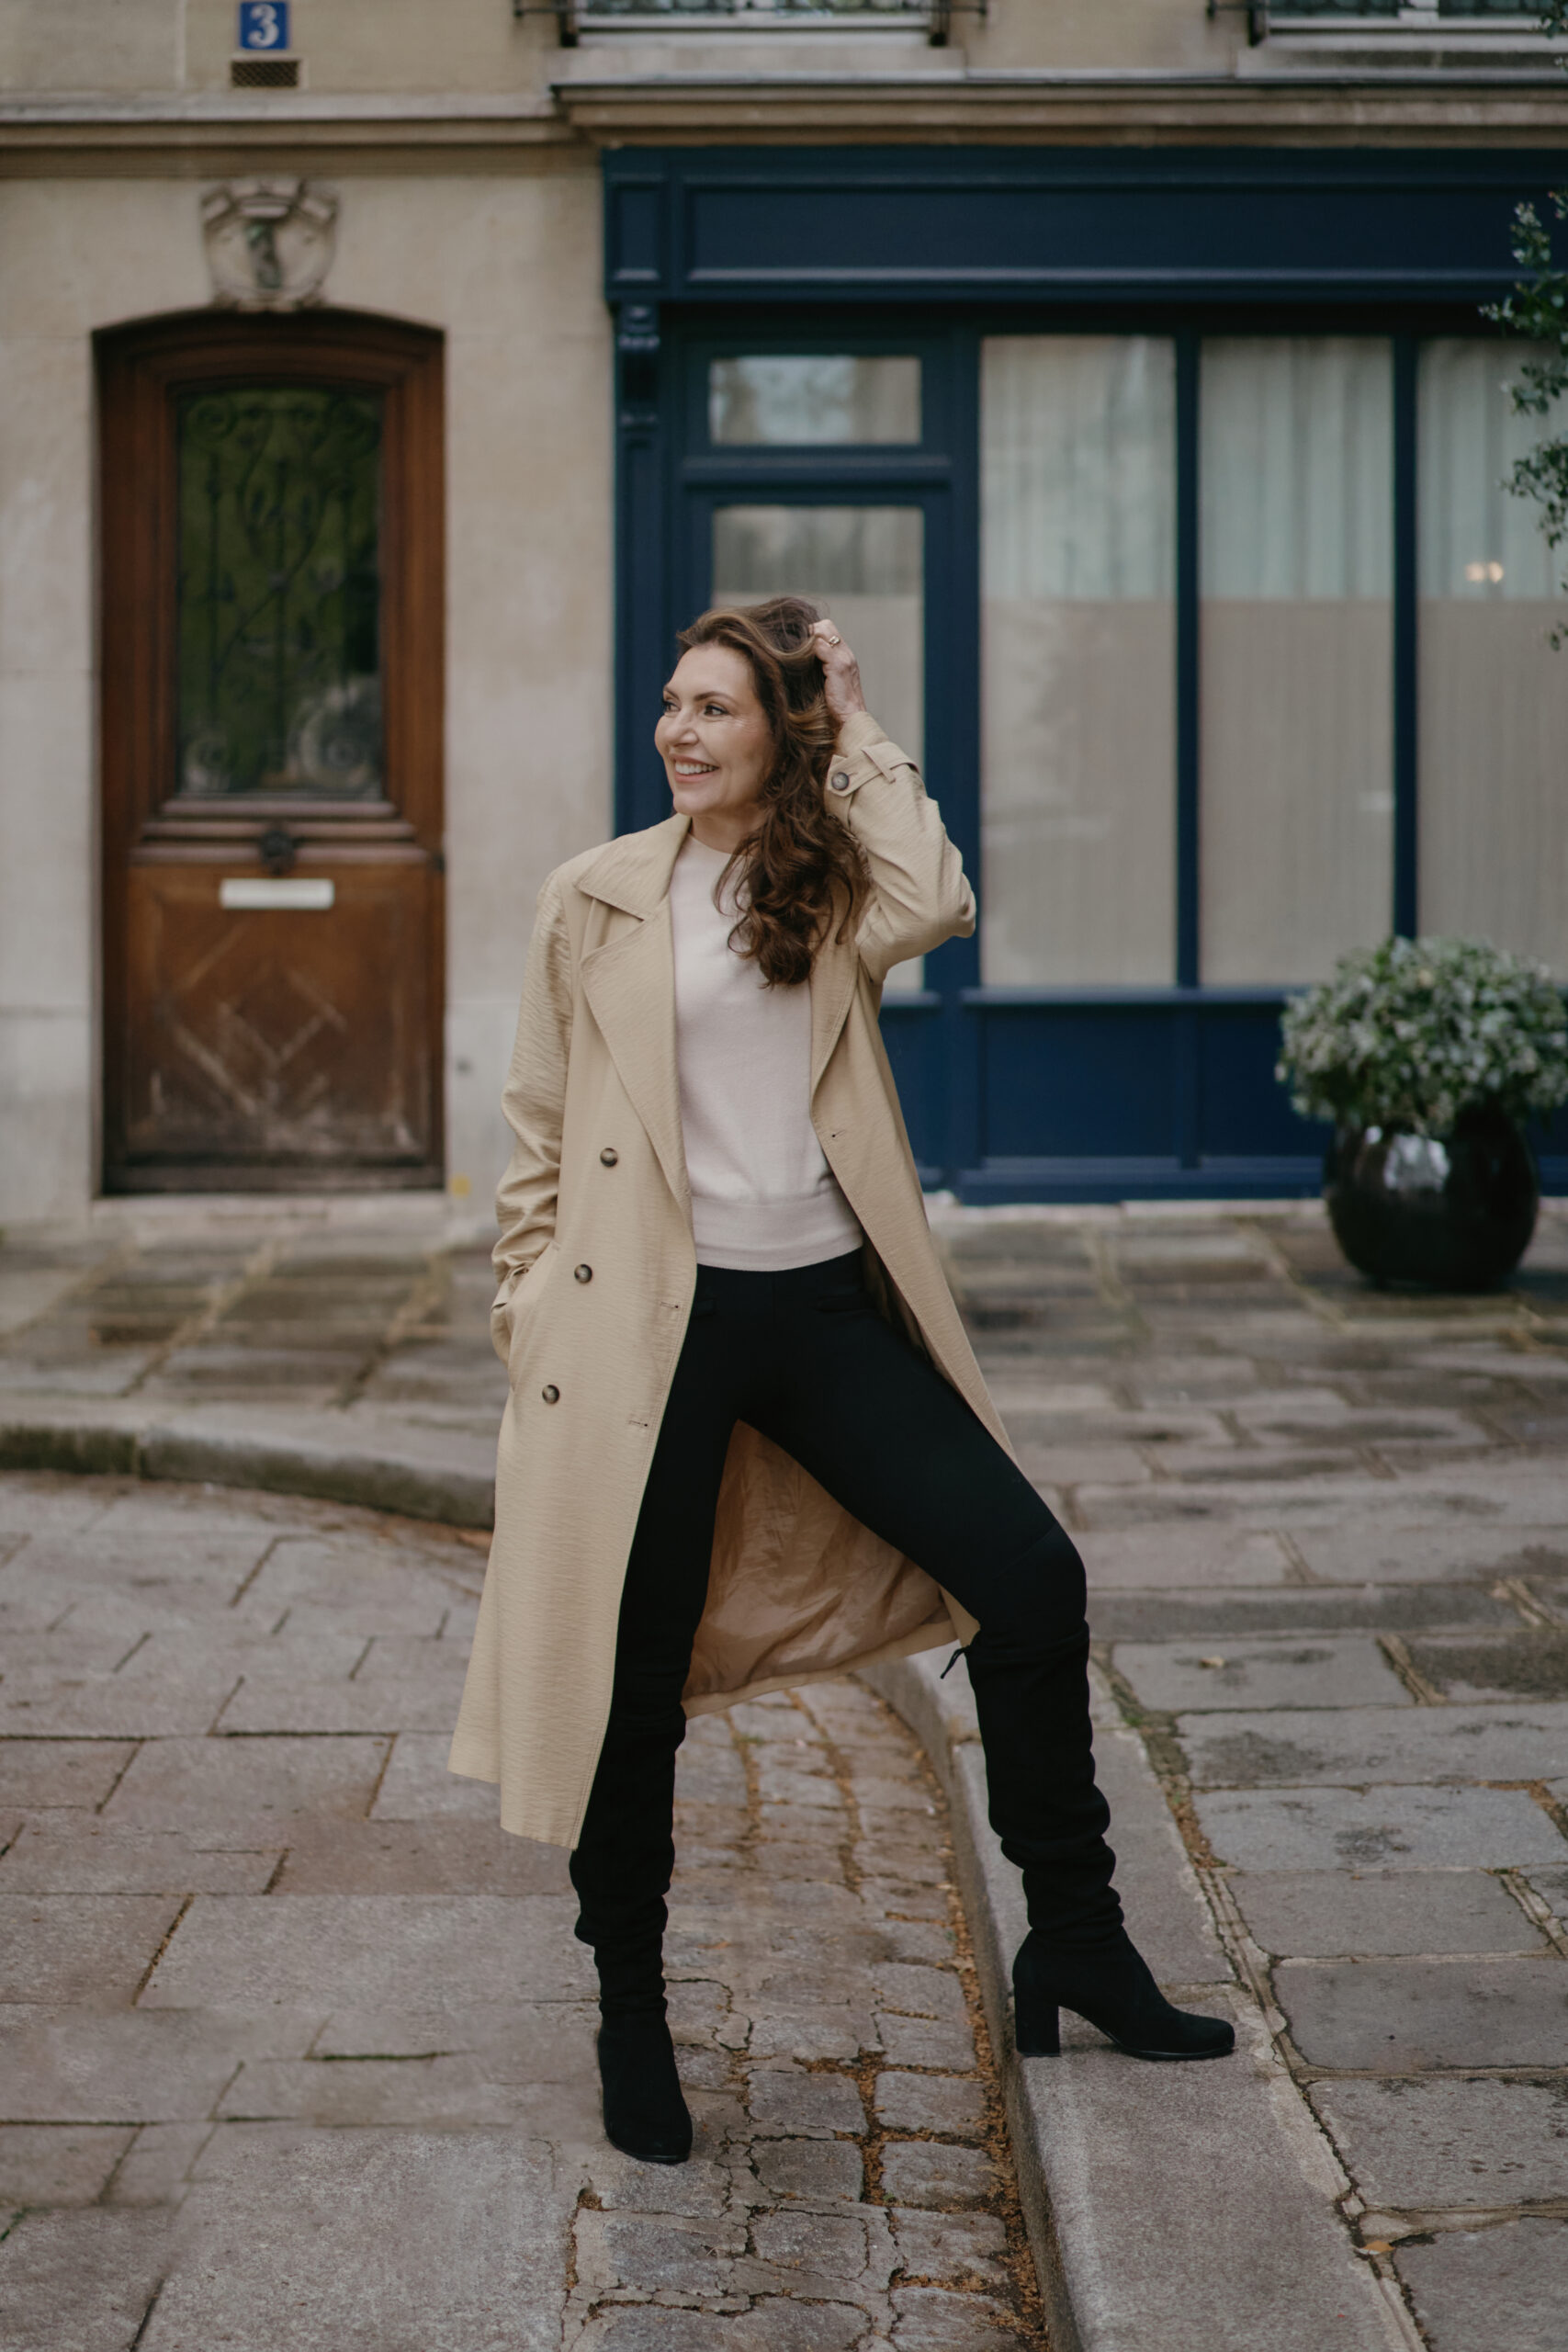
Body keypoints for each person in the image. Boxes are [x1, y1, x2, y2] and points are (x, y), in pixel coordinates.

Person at [448, 595, 1234, 2165]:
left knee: (1029, 1575)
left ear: (777, 734)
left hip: (815, 1305)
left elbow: (940, 896)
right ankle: (630, 2013)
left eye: (718, 709)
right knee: (631, 1684)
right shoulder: (590, 898)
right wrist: (529, 1311)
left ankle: (1074, 1937)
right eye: (673, 704)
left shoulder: (821, 885)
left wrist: (859, 714)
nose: (680, 730)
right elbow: (536, 1134)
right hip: (645, 1333)